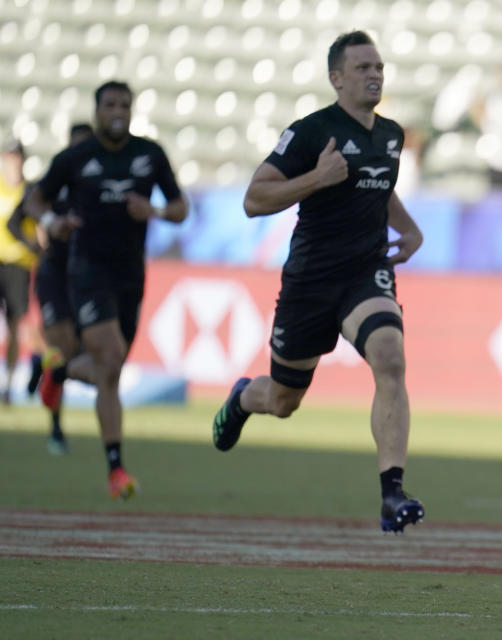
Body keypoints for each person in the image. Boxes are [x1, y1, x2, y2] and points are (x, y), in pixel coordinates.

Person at [211, 31, 426, 533]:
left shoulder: (391, 135)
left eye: (378, 66)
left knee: (390, 357)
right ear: (336, 78)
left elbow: (380, 190)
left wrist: (409, 228)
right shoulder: (311, 133)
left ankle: (392, 494)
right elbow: (254, 199)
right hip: (309, 282)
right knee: (283, 402)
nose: (374, 75)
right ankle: (245, 397)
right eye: (362, 68)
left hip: (365, 275)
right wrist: (315, 178)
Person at [24, 81, 188, 499]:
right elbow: (34, 201)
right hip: (87, 271)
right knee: (110, 357)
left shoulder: (149, 155)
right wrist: (51, 224)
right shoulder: (77, 157)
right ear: (97, 111)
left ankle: (58, 371)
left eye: (125, 105)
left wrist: (152, 210)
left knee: (108, 371)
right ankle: (116, 470)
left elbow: (180, 207)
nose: (118, 111)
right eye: (111, 104)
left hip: (130, 274)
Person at [10, 123, 95, 454]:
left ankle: (40, 366)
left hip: (89, 276)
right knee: (61, 345)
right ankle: (56, 430)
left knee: (73, 354)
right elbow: (16, 218)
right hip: (54, 274)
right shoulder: (54, 181)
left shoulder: (100, 186)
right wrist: (38, 243)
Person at [0, 138, 37, 404]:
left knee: (15, 325)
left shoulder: (30, 191)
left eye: (16, 157)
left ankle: (9, 385)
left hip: (20, 265)